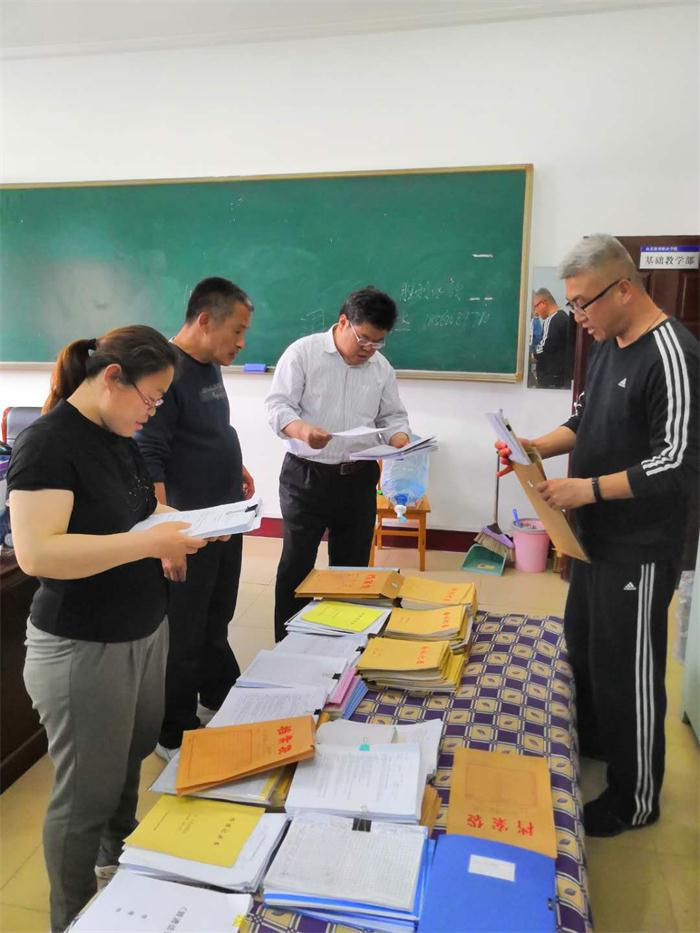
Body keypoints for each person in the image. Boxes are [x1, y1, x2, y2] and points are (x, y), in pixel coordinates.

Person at [7, 326, 207, 932]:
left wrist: (187, 522)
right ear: (113, 378)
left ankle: (118, 862)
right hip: (82, 645)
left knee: (129, 757)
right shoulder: (48, 443)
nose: (153, 412)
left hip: (141, 627)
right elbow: (38, 554)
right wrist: (147, 543)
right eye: (150, 398)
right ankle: (70, 918)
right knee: (84, 797)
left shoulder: (117, 434)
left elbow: (138, 513)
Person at [497, 235, 698, 837]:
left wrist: (586, 489)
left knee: (628, 669)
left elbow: (678, 463)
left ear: (624, 289)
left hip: (640, 546)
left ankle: (635, 798)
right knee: (585, 648)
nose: (577, 316)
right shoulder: (610, 344)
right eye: (572, 304)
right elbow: (583, 420)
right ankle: (600, 744)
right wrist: (534, 446)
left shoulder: (674, 354)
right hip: (592, 539)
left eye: (583, 303)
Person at [135, 277, 255, 759]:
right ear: (205, 321)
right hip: (189, 529)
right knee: (183, 632)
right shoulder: (166, 370)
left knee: (215, 618)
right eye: (237, 331)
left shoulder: (209, 365)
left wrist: (233, 463)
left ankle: (216, 697)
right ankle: (172, 730)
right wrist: (166, 536)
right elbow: (150, 457)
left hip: (225, 519)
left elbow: (207, 430)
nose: (242, 343)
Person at [265, 286, 411, 641]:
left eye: (378, 342)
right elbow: (277, 406)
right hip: (306, 475)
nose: (369, 348)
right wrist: (302, 430)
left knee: (352, 569)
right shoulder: (303, 353)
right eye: (364, 339)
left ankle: (343, 645)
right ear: (343, 322)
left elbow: (393, 416)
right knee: (297, 564)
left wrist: (400, 438)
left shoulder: (381, 368)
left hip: (358, 478)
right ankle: (288, 644)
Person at [533, 287, 574, 388]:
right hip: (561, 377)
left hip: (551, 380)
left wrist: (532, 355)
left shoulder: (551, 320)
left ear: (543, 303)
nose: (536, 312)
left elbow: (544, 347)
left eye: (535, 307)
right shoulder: (564, 317)